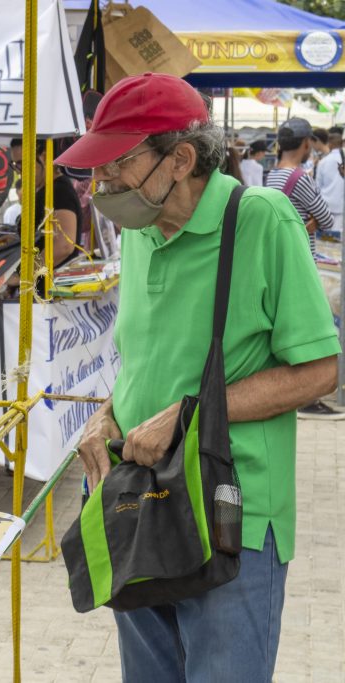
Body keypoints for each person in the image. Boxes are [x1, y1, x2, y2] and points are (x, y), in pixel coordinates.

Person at [56, 73, 340, 682]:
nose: (100, 186)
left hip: (228, 512)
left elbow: (320, 371)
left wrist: (188, 414)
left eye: (115, 165)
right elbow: (149, 359)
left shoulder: (260, 220)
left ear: (180, 158)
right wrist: (108, 413)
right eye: (96, 170)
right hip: (137, 503)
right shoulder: (138, 232)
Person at [9, 136, 84, 267]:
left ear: (44, 156)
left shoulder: (58, 191)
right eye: (16, 165)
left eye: (23, 164)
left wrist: (25, 275)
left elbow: (64, 245)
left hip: (49, 283)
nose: (20, 172)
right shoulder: (48, 189)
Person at [265, 117, 333, 257]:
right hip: (301, 256)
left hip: (283, 253)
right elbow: (327, 220)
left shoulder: (272, 174)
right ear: (307, 143)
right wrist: (314, 220)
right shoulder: (301, 179)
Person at [315, 125, 344, 235]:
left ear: (330, 144)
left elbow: (317, 186)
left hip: (325, 207)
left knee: (326, 242)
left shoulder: (323, 162)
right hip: (341, 206)